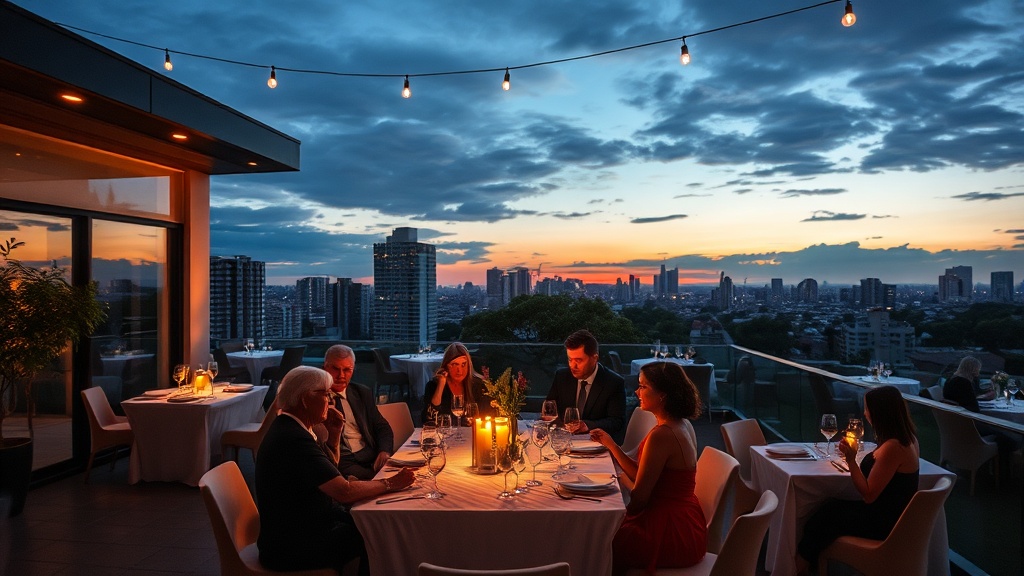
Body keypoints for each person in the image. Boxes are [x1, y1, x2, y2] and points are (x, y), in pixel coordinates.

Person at [255, 366, 415, 575]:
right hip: (292, 547)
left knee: (371, 524)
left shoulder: (292, 427)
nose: (331, 401)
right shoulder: (293, 439)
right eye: (326, 394)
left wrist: (334, 434)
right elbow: (344, 491)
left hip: (297, 530)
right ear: (305, 399)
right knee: (376, 534)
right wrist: (391, 483)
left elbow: (330, 470)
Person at [590, 361, 706, 574]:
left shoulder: (662, 435)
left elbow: (638, 501)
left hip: (669, 532)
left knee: (600, 539)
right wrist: (612, 446)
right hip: (687, 523)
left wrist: (619, 500)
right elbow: (645, 473)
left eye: (643, 386)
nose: (637, 391)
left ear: (662, 395)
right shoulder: (681, 424)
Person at [796, 385, 920, 574]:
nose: (865, 413)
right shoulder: (909, 439)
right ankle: (811, 566)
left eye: (868, 408)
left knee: (822, 518)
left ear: (880, 412)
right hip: (896, 518)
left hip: (882, 524)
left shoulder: (893, 448)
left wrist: (852, 460)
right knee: (827, 510)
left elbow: (869, 495)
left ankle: (799, 567)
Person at [319, 345, 395, 480]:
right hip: (340, 461)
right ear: (325, 368)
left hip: (370, 454)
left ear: (353, 370)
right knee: (384, 483)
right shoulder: (315, 397)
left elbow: (381, 427)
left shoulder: (361, 392)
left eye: (347, 370)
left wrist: (384, 451)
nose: (341, 375)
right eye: (336, 369)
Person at [545, 329, 626, 436]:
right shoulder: (562, 376)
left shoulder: (613, 382)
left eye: (578, 360)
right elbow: (550, 408)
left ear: (594, 358)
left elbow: (617, 422)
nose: (572, 366)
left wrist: (587, 425)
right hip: (563, 439)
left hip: (595, 443)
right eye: (570, 359)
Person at [421, 342, 492, 423]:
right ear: (446, 365)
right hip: (445, 434)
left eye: (463, 365)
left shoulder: (477, 386)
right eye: (455, 365)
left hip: (471, 433)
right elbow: (428, 419)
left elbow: (486, 416)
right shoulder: (433, 386)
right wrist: (441, 385)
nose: (459, 371)